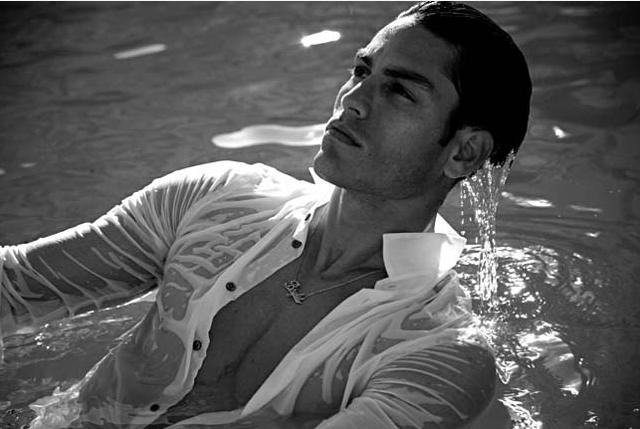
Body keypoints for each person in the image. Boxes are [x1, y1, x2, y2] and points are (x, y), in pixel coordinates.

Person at [0, 1, 531, 428]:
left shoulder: (438, 353)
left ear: (464, 152)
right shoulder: (218, 201)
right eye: (361, 71)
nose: (353, 100)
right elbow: (16, 286)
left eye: (398, 91)